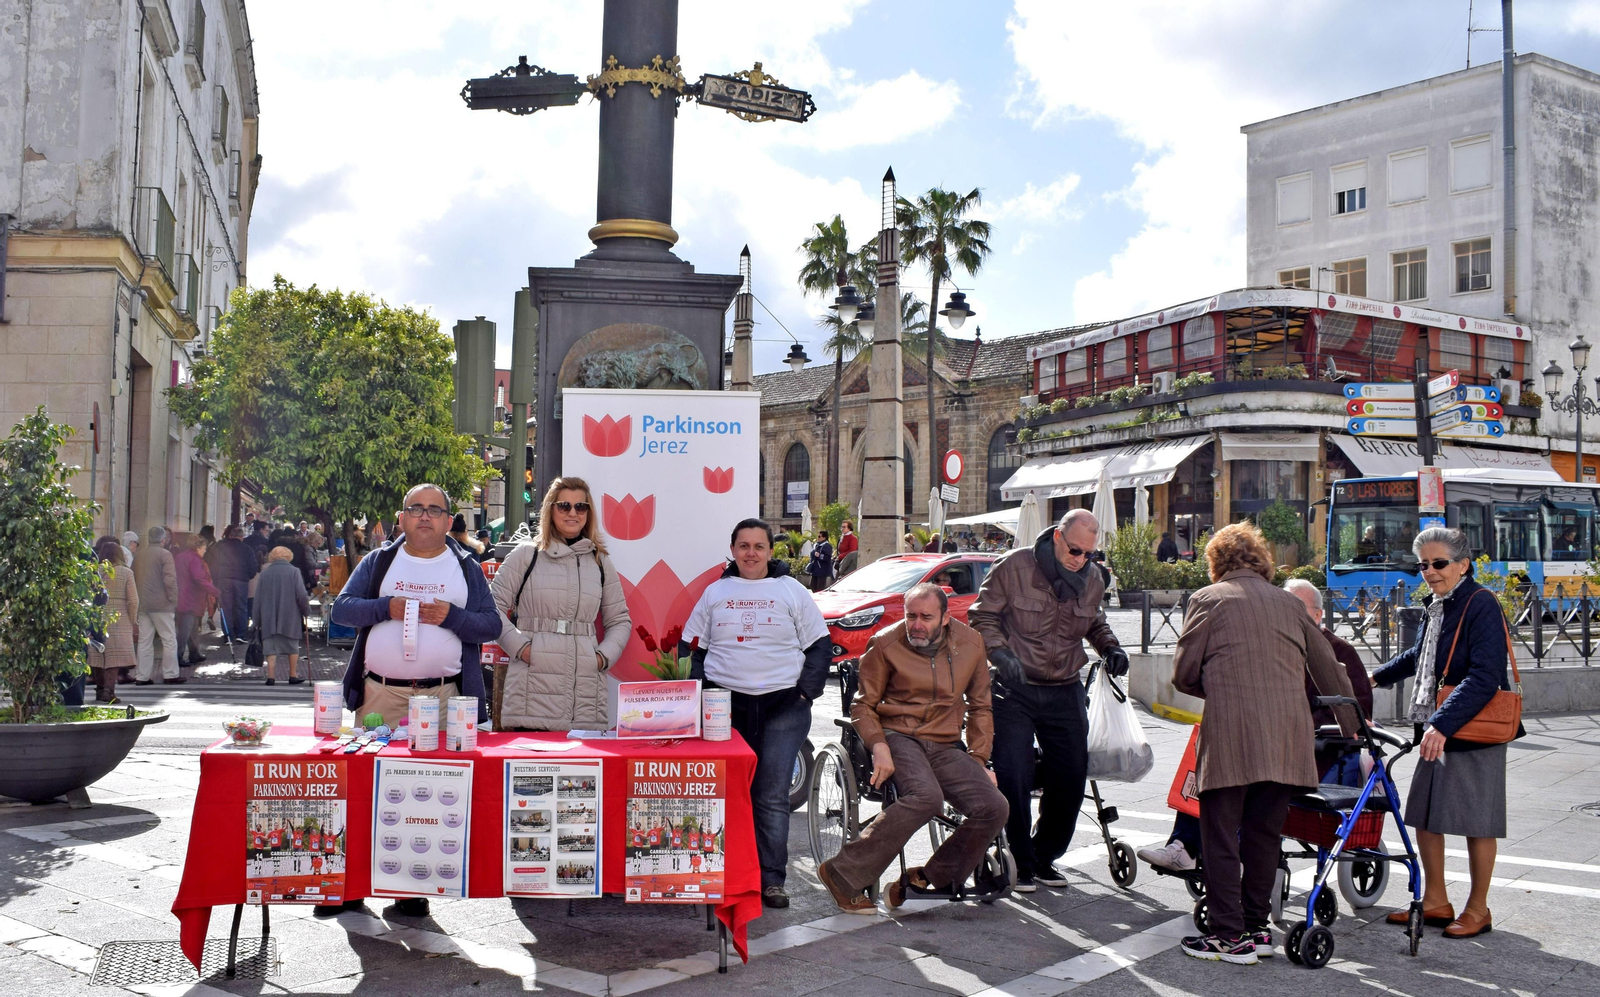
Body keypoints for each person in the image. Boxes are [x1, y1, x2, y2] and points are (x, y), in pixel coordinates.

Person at [1170, 523, 1357, 965]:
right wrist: (1352, 727)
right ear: (1262, 562)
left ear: (1216, 563)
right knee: (1264, 835)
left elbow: (1182, 673)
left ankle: (1227, 936)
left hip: (1232, 736)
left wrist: (1219, 688)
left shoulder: (1207, 600)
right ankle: (1257, 930)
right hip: (1288, 739)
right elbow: (1328, 667)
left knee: (1219, 834)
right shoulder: (1290, 604)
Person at [328, 484, 499, 917]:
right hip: (380, 693)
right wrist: (386, 607)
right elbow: (342, 610)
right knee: (364, 788)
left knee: (425, 795)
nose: (425, 517)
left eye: (434, 510)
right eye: (416, 509)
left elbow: (491, 626)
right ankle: (349, 887)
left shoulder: (466, 567)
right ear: (402, 518)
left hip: (443, 696)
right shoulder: (379, 561)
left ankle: (410, 886)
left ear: (447, 520)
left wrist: (453, 618)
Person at [1139, 576, 1376, 875]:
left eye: (1297, 609)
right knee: (1206, 743)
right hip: (1259, 736)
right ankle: (1184, 845)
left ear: (1318, 615)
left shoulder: (1339, 651)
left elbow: (1356, 710)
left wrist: (1300, 724)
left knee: (1237, 765)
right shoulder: (1269, 641)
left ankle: (1199, 852)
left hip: (1309, 747)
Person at [816, 584, 1007, 913]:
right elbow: (863, 707)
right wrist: (879, 746)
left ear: (946, 617)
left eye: (926, 617)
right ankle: (841, 872)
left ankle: (930, 876)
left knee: (995, 806)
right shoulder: (886, 643)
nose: (916, 624)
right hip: (898, 735)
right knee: (926, 797)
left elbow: (981, 708)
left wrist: (978, 759)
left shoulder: (971, 643)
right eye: (910, 616)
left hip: (946, 742)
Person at [1371, 526, 1521, 940]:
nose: (1430, 572)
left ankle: (1479, 908)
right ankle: (1436, 899)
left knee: (1479, 821)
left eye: (1439, 564)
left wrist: (1443, 722)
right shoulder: (1438, 606)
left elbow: (1485, 675)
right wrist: (1376, 677)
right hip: (1441, 724)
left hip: (1473, 726)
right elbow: (1422, 656)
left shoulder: (1480, 603)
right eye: (1423, 565)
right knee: (1425, 813)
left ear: (1463, 564)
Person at [968, 508, 1129, 893]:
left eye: (1089, 554)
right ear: (1058, 536)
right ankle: (1020, 860)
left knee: (1072, 774)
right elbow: (982, 615)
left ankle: (1044, 857)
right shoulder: (1015, 567)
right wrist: (1000, 654)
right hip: (1015, 687)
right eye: (1075, 550)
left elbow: (1094, 621)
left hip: (1064, 687)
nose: (1081, 560)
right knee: (1014, 771)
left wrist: (1110, 647)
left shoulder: (1091, 578)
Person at [680, 518, 831, 909]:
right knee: (727, 793)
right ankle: (725, 873)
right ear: (733, 550)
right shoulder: (715, 592)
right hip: (725, 707)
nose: (751, 553)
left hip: (784, 706)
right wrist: (701, 697)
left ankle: (771, 879)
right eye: (743, 546)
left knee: (770, 794)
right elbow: (691, 648)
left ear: (770, 551)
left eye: (758, 546)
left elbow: (819, 646)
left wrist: (804, 694)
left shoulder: (791, 591)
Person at [490, 477, 630, 731]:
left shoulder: (600, 562)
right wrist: (522, 649)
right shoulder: (526, 555)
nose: (573, 513)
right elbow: (491, 609)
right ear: (550, 509)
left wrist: (600, 658)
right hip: (531, 697)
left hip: (584, 697)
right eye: (564, 506)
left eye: (581, 507)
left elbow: (619, 620)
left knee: (584, 771)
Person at [133, 527, 185, 685]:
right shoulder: (165, 554)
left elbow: (133, 576)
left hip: (143, 604)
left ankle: (142, 676)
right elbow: (170, 579)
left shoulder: (139, 555)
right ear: (163, 540)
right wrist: (173, 600)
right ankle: (170, 674)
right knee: (169, 640)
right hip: (162, 604)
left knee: (144, 641)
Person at [88, 537, 138, 703]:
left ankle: (99, 689)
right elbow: (133, 600)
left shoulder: (94, 571)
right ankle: (108, 692)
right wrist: (133, 620)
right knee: (114, 657)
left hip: (97, 615)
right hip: (119, 616)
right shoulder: (125, 572)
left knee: (97, 655)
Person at [257, 546, 311, 685]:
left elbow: (257, 598)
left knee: (270, 647)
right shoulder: (294, 571)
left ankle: (270, 676)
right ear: (288, 556)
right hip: (290, 616)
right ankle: (293, 675)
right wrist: (306, 610)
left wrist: (256, 619)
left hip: (268, 616)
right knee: (292, 646)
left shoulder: (264, 573)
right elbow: (301, 594)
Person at [173, 535, 219, 670]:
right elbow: (199, 579)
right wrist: (214, 591)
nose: (205, 551)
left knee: (191, 628)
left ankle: (194, 653)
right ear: (198, 548)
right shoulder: (194, 560)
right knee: (185, 630)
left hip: (182, 596)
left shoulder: (181, 557)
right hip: (189, 598)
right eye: (204, 548)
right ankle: (178, 656)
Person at [207, 525, 258, 640]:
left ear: (230, 536)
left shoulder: (220, 548)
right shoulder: (247, 549)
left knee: (226, 607)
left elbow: (213, 565)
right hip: (241, 581)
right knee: (241, 607)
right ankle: (241, 634)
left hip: (223, 580)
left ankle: (228, 635)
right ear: (242, 537)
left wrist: (216, 579)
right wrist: (248, 576)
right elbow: (253, 567)